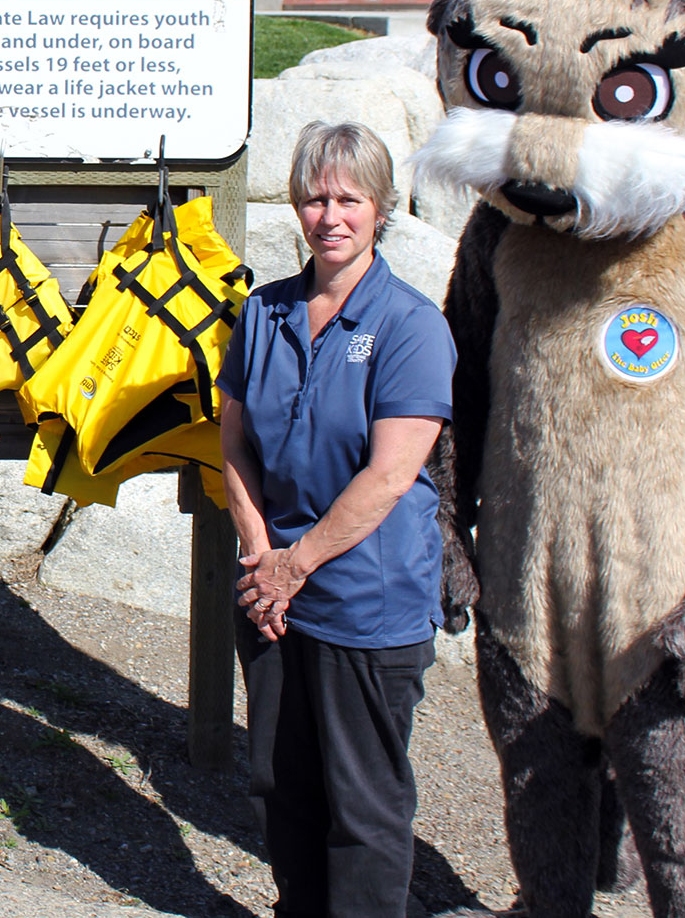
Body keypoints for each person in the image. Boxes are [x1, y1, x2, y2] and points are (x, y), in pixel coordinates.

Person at [215, 121, 456, 918]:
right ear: (295, 205)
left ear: (381, 208)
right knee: (281, 787)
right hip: (274, 595)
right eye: (315, 197)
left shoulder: (412, 325)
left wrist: (296, 562)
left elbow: (390, 473)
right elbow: (234, 438)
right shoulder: (264, 313)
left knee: (364, 809)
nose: (331, 215)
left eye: (350, 198)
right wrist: (259, 551)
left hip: (365, 600)